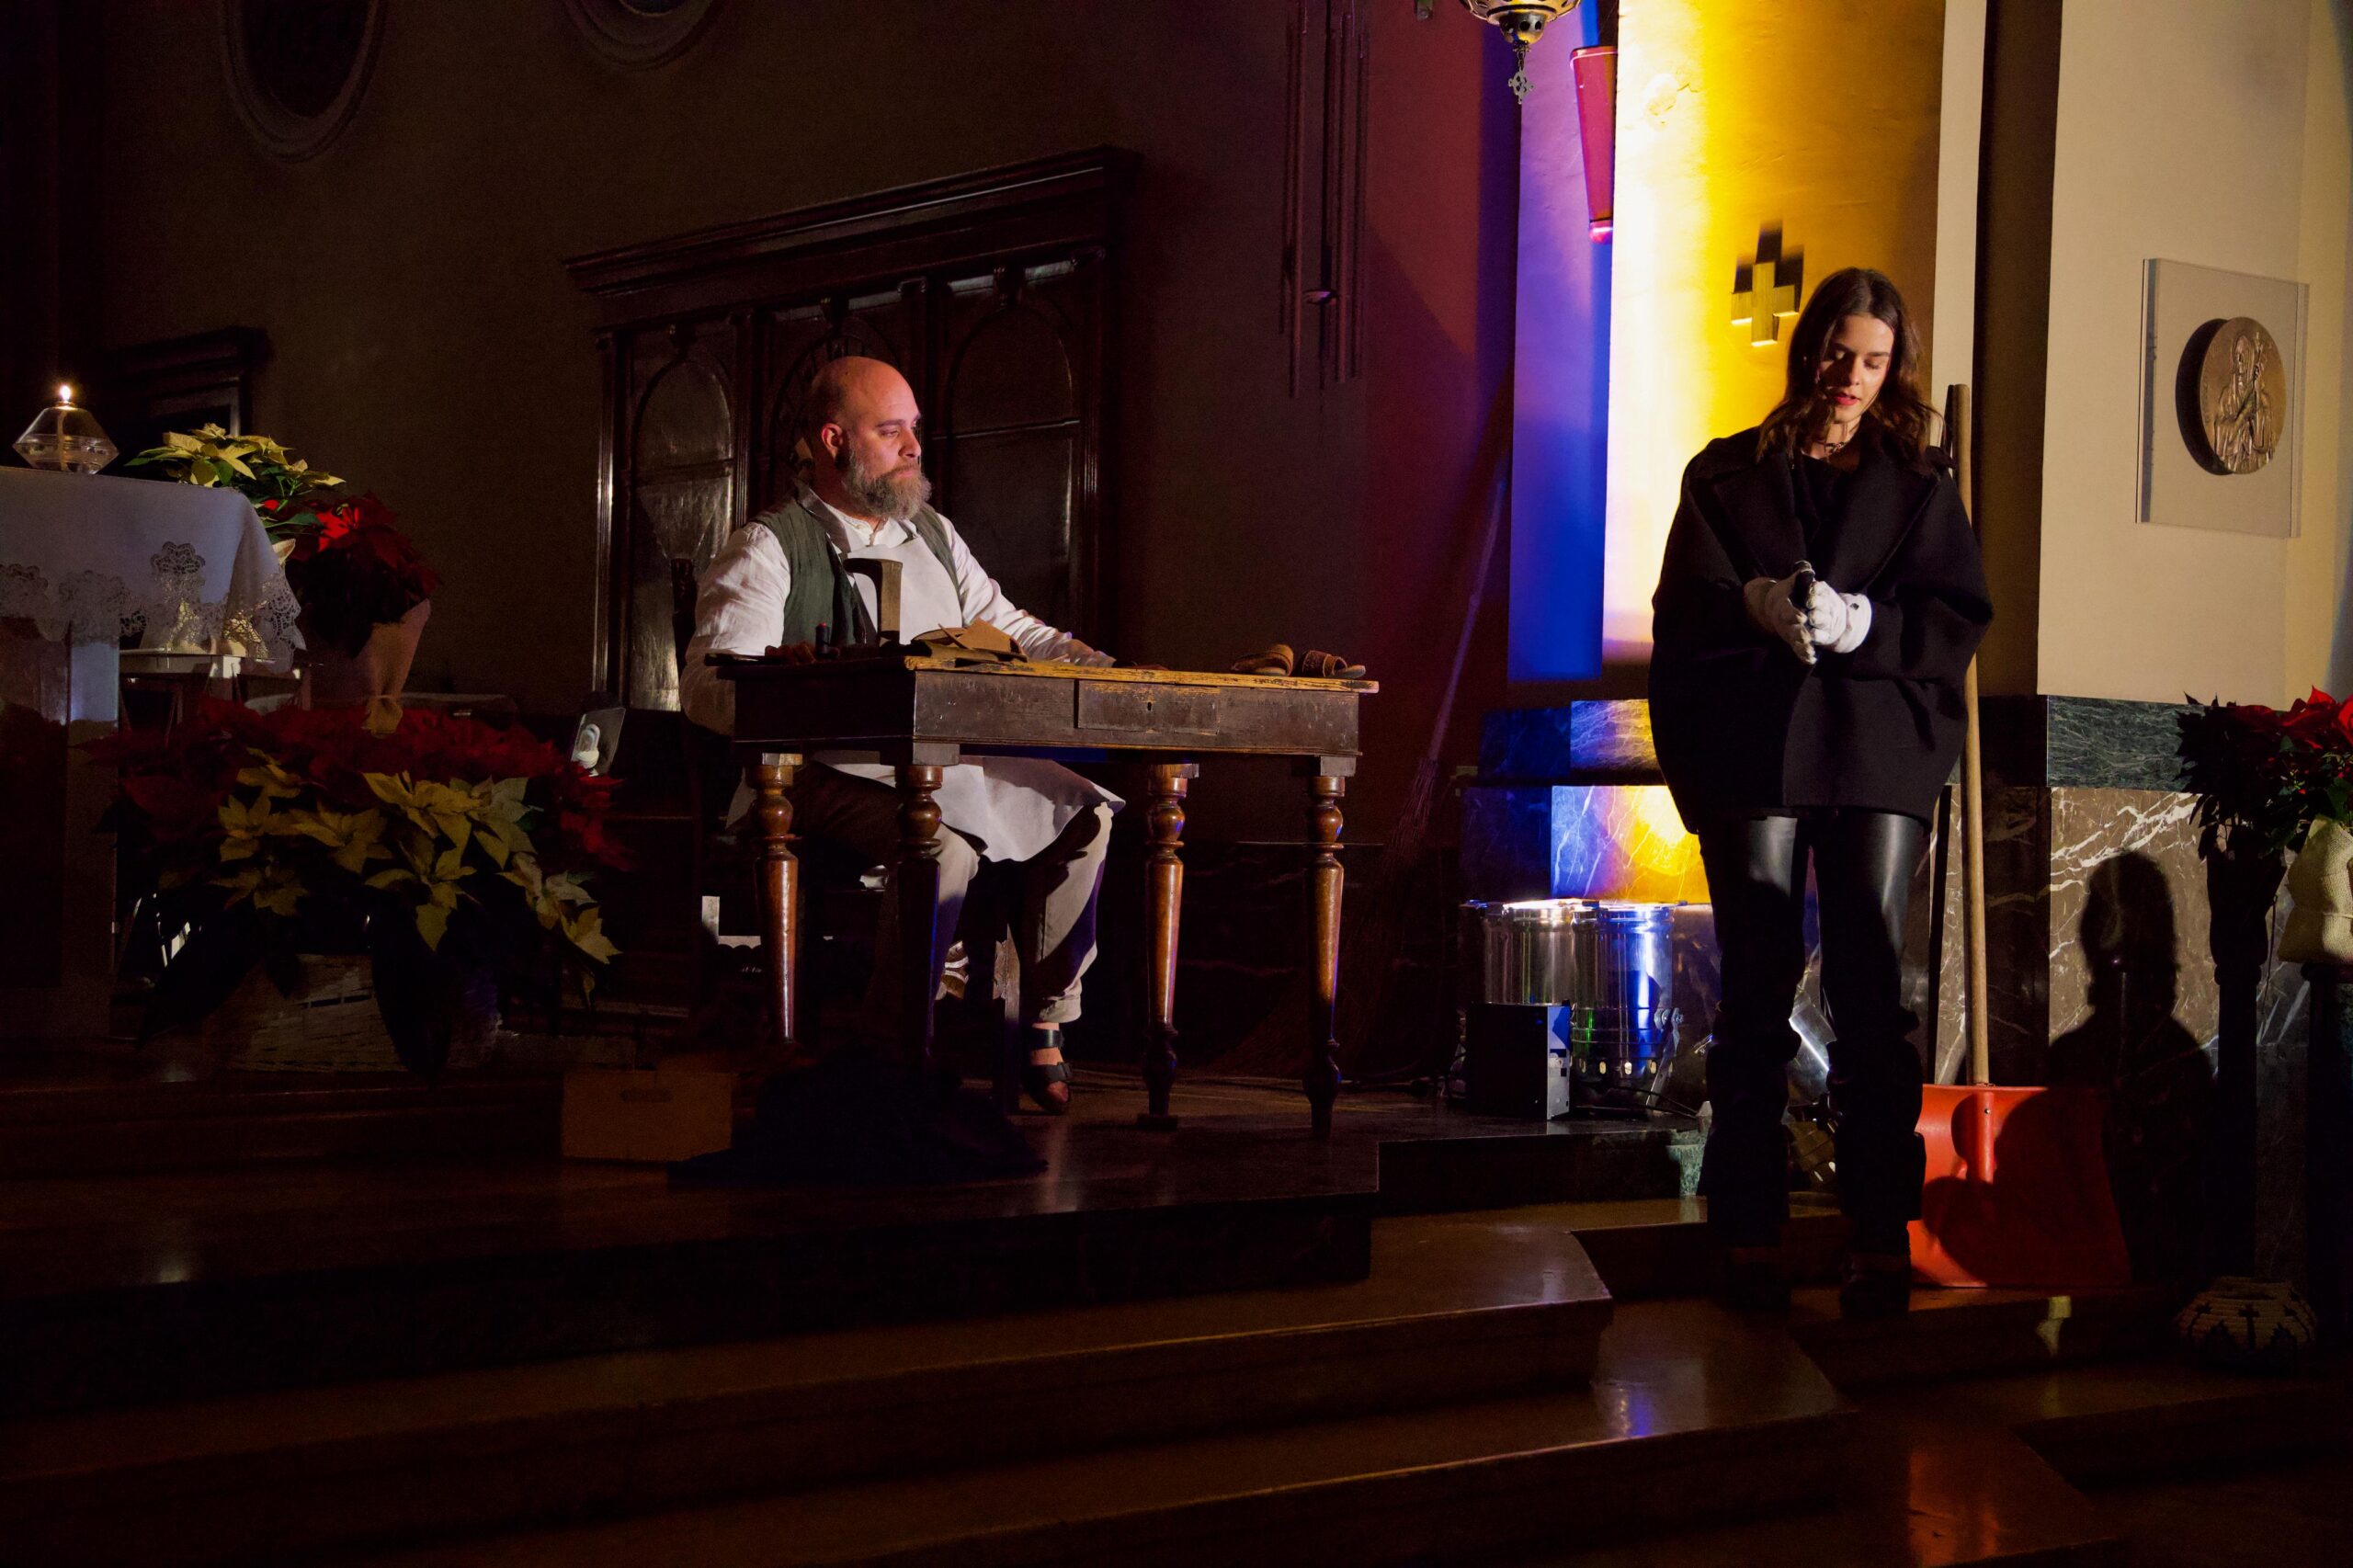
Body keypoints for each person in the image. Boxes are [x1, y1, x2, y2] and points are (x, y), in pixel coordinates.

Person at [1647, 267, 1992, 1318]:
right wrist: (1752, 604)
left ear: (1894, 371)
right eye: (1840, 353)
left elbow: (1953, 619)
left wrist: (1863, 625)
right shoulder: (1724, 474)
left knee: (1870, 992)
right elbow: (1682, 612)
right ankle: (1747, 1228)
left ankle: (1878, 1234)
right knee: (1755, 987)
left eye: (1874, 361)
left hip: (1873, 754)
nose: (1852, 376)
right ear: (1810, 351)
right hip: (1756, 750)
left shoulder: (1920, 486)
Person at [681, 356, 1119, 1114]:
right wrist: (796, 688)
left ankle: (1045, 1019)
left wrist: (1098, 666)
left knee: (1087, 813)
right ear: (833, 441)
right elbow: (706, 688)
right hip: (816, 773)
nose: (914, 446)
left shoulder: (934, 535)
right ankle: (895, 1048)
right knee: (937, 847)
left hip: (941, 761)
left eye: (913, 429)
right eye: (891, 432)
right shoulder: (769, 545)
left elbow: (1007, 627)